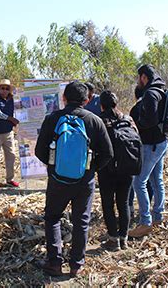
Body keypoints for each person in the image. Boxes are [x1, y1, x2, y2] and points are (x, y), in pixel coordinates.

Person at [35, 81, 113, 277]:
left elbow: (39, 151)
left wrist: (54, 168)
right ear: (86, 100)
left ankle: (54, 263)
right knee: (81, 221)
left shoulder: (53, 118)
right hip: (84, 181)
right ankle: (76, 265)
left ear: (64, 98)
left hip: (57, 180)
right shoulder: (95, 121)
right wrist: (90, 169)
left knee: (52, 218)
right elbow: (108, 153)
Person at [128, 65, 168, 238]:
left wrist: (136, 124)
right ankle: (158, 216)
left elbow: (150, 120)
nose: (138, 81)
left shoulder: (151, 94)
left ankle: (145, 222)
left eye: (139, 78)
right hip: (161, 142)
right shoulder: (162, 90)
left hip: (151, 144)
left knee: (139, 182)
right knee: (156, 180)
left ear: (144, 77)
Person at [98, 90, 137, 251]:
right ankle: (124, 239)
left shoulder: (99, 121)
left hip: (106, 168)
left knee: (108, 204)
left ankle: (113, 239)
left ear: (101, 105)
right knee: (124, 203)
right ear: (116, 104)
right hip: (127, 167)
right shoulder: (128, 119)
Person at [0, 79, 20, 189]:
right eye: (2, 88)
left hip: (8, 133)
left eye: (7, 89)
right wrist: (10, 119)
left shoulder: (12, 100)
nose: (5, 90)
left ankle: (10, 179)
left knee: (11, 156)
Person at [128, 85, 154, 219]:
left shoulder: (135, 109)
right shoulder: (152, 106)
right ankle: (151, 209)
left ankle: (138, 212)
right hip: (155, 147)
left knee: (137, 180)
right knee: (152, 180)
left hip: (141, 148)